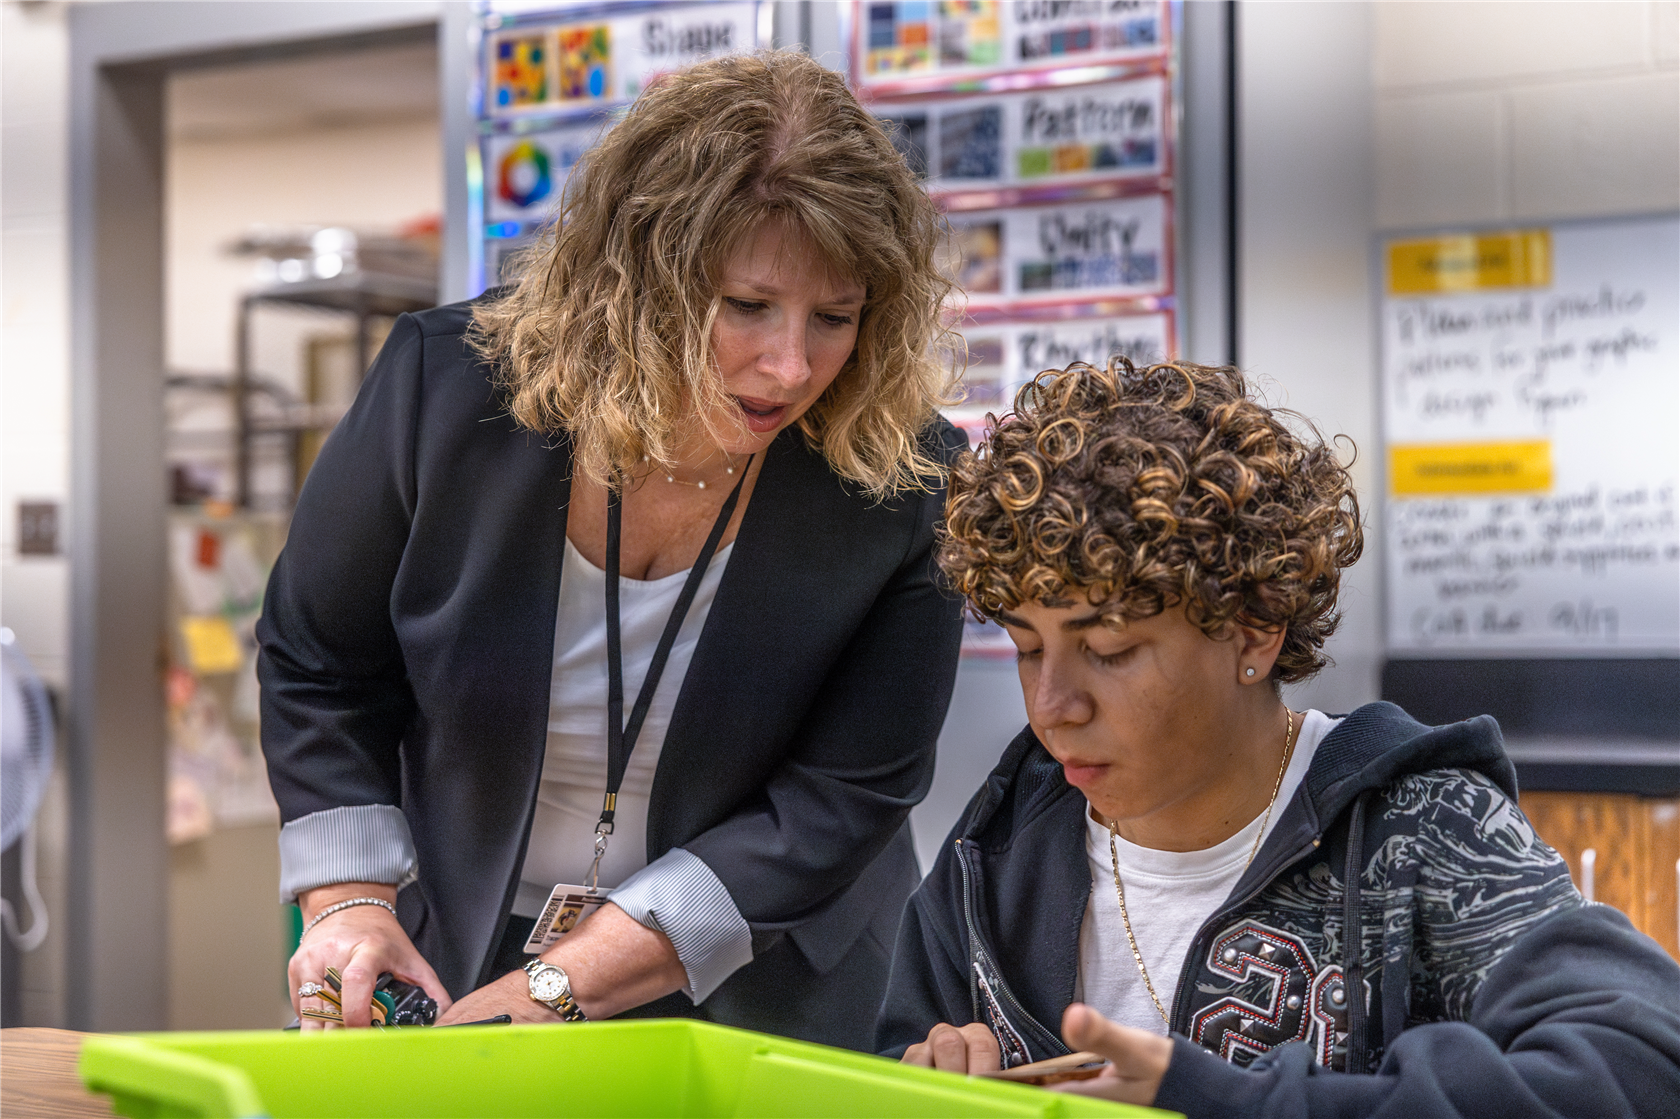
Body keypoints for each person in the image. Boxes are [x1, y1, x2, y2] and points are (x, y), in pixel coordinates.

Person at [259, 50, 965, 1048]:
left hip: (765, 977)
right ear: (632, 281)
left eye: (837, 318)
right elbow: (319, 665)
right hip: (458, 943)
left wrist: (557, 986)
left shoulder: (903, 475)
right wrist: (346, 902)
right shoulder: (445, 393)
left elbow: (847, 795)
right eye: (748, 306)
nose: (792, 365)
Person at [877, 358, 1680, 1115]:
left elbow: (1643, 1062)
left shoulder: (1423, 828)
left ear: (1255, 631)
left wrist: (1235, 1103)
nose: (1052, 706)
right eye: (1026, 647)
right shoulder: (993, 852)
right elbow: (889, 1069)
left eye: (1111, 649)